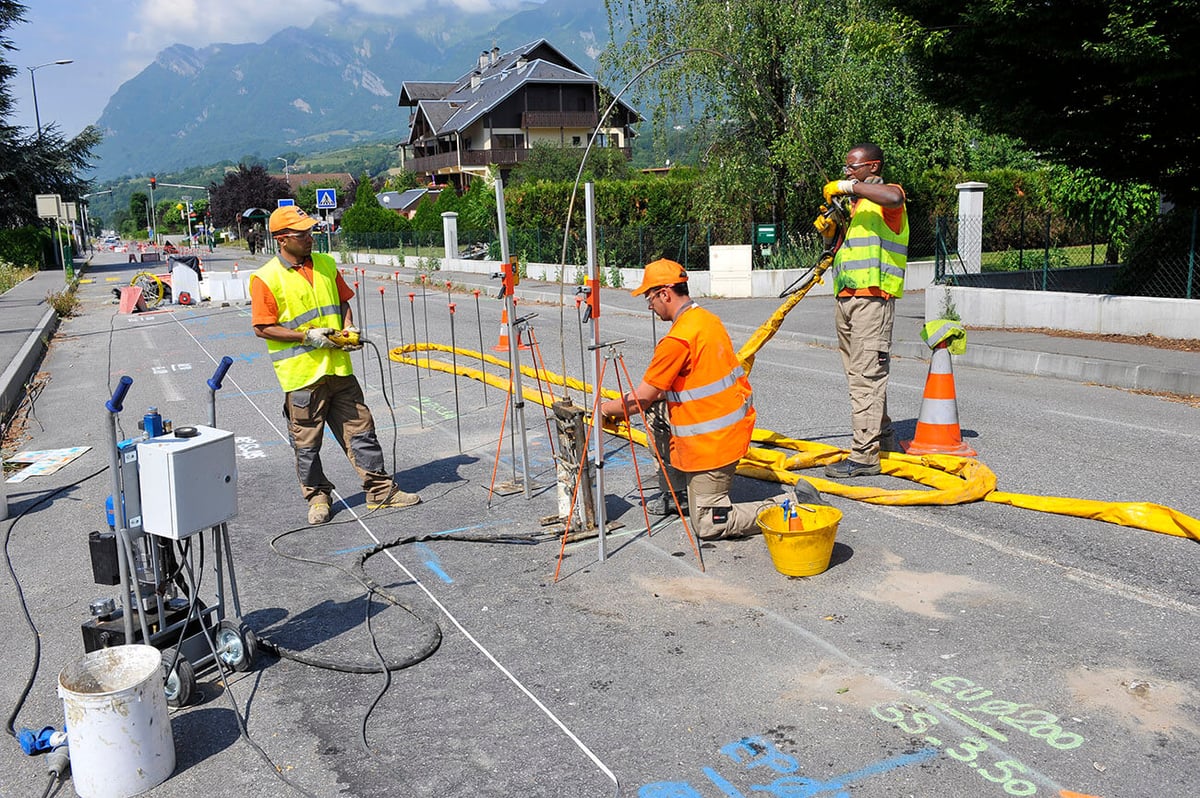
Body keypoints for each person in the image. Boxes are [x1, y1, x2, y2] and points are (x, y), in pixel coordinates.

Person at [599, 259, 814, 540]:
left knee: (709, 524)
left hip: (713, 444)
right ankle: (680, 494)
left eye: (649, 298)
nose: (649, 306)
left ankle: (793, 505)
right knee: (657, 414)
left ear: (665, 293)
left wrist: (602, 410)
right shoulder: (706, 320)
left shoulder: (678, 340)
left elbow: (639, 399)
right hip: (727, 430)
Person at [250, 205, 419, 524]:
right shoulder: (265, 278)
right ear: (283, 239)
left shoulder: (326, 264)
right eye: (303, 234)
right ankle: (317, 498)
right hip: (302, 377)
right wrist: (306, 337)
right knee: (307, 446)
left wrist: (349, 327)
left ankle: (380, 491)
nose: (311, 237)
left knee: (361, 431)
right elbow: (262, 326)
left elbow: (343, 302)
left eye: (310, 231)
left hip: (339, 370)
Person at [821, 142, 909, 478]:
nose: (847, 173)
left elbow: (895, 198)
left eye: (852, 168)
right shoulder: (855, 208)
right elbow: (841, 251)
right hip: (846, 298)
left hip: (874, 298)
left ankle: (864, 456)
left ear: (872, 167)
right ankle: (883, 437)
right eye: (845, 169)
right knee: (858, 375)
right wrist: (830, 235)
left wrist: (848, 187)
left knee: (866, 377)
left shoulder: (888, 197)